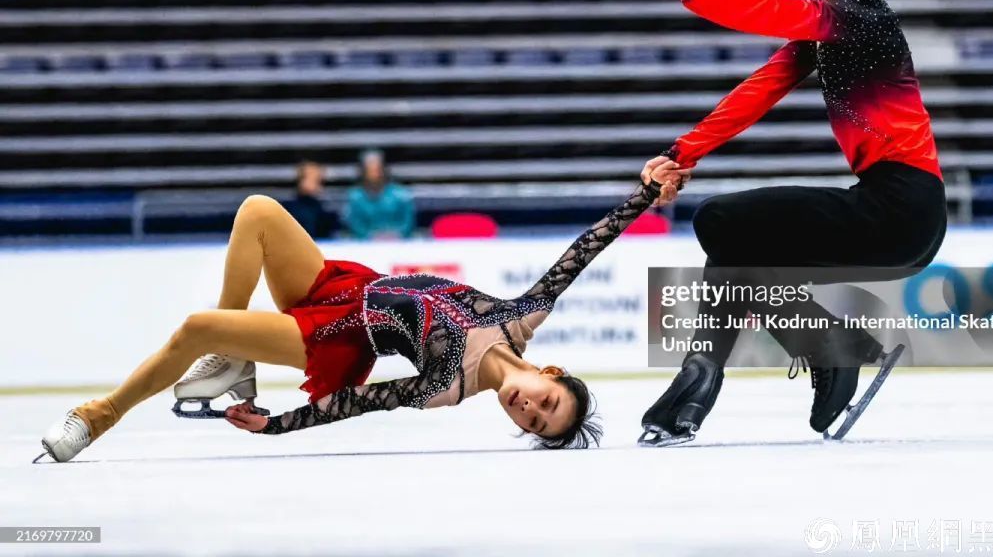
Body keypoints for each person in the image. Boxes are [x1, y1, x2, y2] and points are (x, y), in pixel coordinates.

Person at [595, 0, 947, 445]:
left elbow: (761, 10)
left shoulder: (861, 16)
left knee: (723, 222)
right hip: (895, 209)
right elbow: (758, 89)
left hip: (901, 209)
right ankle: (695, 392)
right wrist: (678, 155)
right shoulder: (831, 27)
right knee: (739, 249)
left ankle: (800, 357)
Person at [36, 176, 678, 463]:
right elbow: (584, 250)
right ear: (551, 372)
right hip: (349, 286)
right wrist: (647, 193)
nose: (526, 409)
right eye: (545, 402)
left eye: (533, 423)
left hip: (341, 338)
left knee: (196, 328)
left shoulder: (442, 389)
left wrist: (275, 426)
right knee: (258, 210)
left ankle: (98, 417)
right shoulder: (522, 318)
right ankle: (233, 360)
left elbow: (358, 402)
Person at [343, 149, 415, 240]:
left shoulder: (400, 195)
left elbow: (407, 223)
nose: (374, 174)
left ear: (383, 170)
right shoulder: (355, 197)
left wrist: (396, 235)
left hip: (397, 244)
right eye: (370, 170)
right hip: (365, 247)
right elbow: (355, 224)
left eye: (377, 170)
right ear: (363, 172)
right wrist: (371, 237)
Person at [283, 160, 338, 239]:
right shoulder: (287, 208)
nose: (319, 185)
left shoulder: (325, 210)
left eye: (320, 180)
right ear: (301, 181)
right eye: (315, 180)